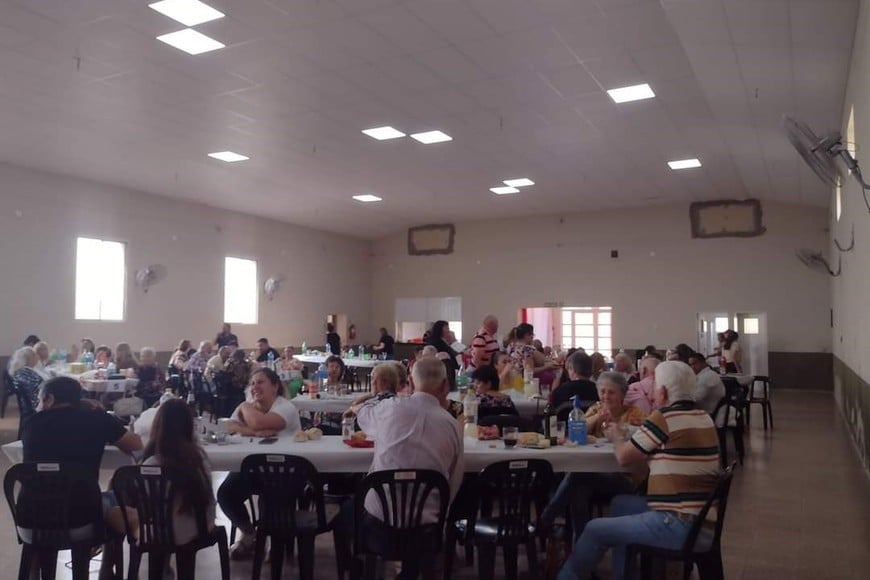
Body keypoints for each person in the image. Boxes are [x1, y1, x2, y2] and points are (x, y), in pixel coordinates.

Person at [557, 361, 720, 580]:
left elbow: (624, 457)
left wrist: (615, 437)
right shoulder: (704, 417)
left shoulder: (664, 418)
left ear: (662, 392)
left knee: (595, 529)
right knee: (621, 503)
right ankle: (622, 574)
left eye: (654, 388)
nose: (652, 393)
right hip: (703, 521)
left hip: (678, 524)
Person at [341, 357, 463, 576]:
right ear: (446, 386)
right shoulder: (452, 425)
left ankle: (357, 569)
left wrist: (364, 403)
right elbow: (453, 482)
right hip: (427, 531)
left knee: (348, 508)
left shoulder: (388, 409)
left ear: (410, 383)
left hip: (379, 528)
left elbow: (362, 412)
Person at [21, 377, 142, 577]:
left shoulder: (31, 423)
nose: (38, 404)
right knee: (117, 500)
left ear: (49, 399)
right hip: (80, 518)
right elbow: (136, 445)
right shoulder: (97, 419)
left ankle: (35, 572)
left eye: (40, 399)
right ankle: (106, 569)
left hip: (30, 519)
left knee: (44, 498)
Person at [541, 372, 646, 542]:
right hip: (595, 475)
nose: (606, 396)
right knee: (579, 487)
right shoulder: (596, 409)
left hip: (625, 478)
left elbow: (643, 437)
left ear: (622, 395)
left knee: (577, 475)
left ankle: (547, 518)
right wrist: (598, 416)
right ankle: (581, 541)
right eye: (602, 391)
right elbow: (577, 432)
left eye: (611, 392)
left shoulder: (635, 414)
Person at [219, 368, 301, 558]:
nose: (255, 387)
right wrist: (253, 432)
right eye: (252, 383)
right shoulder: (249, 405)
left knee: (270, 497)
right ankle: (249, 534)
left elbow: (259, 422)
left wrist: (244, 408)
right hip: (251, 467)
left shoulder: (285, 407)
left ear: (275, 386)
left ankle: (275, 539)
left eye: (260, 382)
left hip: (283, 472)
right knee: (226, 494)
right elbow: (230, 426)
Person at [10, 346, 44, 422]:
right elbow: (39, 387)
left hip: (32, 402)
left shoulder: (21, 371)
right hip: (36, 405)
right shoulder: (25, 373)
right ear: (29, 358)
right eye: (35, 355)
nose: (37, 357)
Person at [427, 320, 460, 389]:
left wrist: (453, 341)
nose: (448, 330)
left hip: (450, 370)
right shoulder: (436, 341)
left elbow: (456, 352)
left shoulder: (444, 340)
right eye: (446, 328)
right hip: (443, 371)